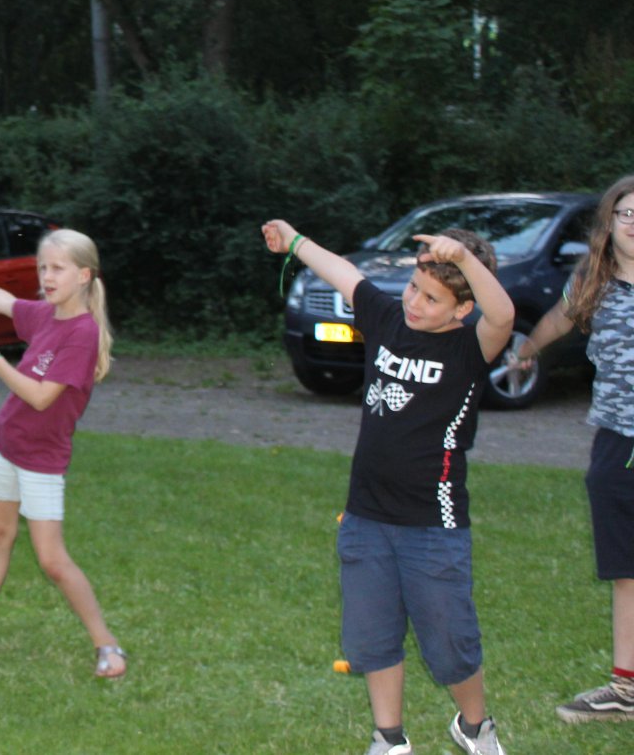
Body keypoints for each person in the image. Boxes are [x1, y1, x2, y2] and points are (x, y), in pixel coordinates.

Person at [261, 220, 513, 755]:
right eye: (414, 287)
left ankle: (474, 726)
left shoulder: (470, 349)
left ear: (461, 309)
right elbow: (347, 275)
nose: (415, 302)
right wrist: (296, 241)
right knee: (373, 637)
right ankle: (390, 739)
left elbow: (505, 314)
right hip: (366, 517)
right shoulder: (387, 319)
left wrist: (466, 262)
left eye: (432, 297)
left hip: (433, 524)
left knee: (449, 643)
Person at [0, 228, 126, 679]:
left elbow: (41, 397)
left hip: (41, 458)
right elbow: (4, 302)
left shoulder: (81, 333)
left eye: (57, 268)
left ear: (83, 275)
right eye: (43, 267)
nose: (47, 276)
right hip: (6, 443)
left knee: (52, 560)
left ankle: (108, 646)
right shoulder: (45, 316)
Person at [507, 176, 634, 724]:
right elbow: (562, 316)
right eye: (627, 213)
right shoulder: (594, 280)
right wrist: (529, 348)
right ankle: (625, 689)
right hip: (615, 440)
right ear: (610, 223)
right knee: (626, 568)